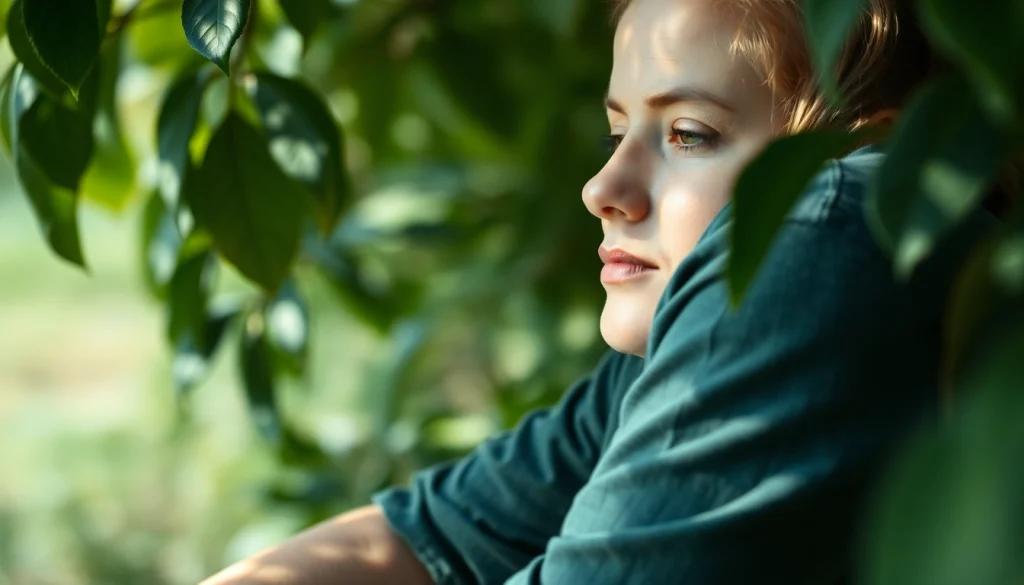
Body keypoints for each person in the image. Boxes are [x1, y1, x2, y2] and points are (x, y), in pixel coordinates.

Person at [201, 0, 990, 583]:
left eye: (688, 134)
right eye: (620, 133)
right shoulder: (657, 369)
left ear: (891, 146)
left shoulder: (833, 218)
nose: (602, 186)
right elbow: (417, 537)